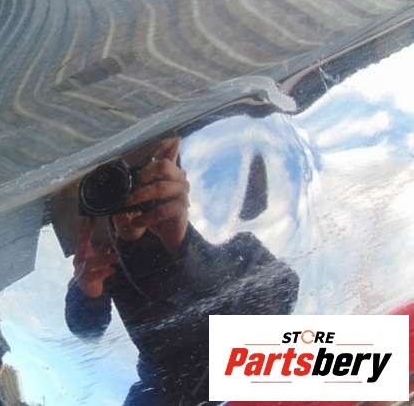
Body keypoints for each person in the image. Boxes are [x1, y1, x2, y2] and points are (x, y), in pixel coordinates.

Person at [64, 138, 299, 405]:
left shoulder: (237, 248)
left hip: (233, 374)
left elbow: (283, 292)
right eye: (115, 191)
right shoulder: (104, 263)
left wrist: (184, 246)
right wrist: (86, 291)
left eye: (139, 185)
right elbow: (86, 330)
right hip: (166, 385)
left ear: (172, 187)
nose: (127, 202)